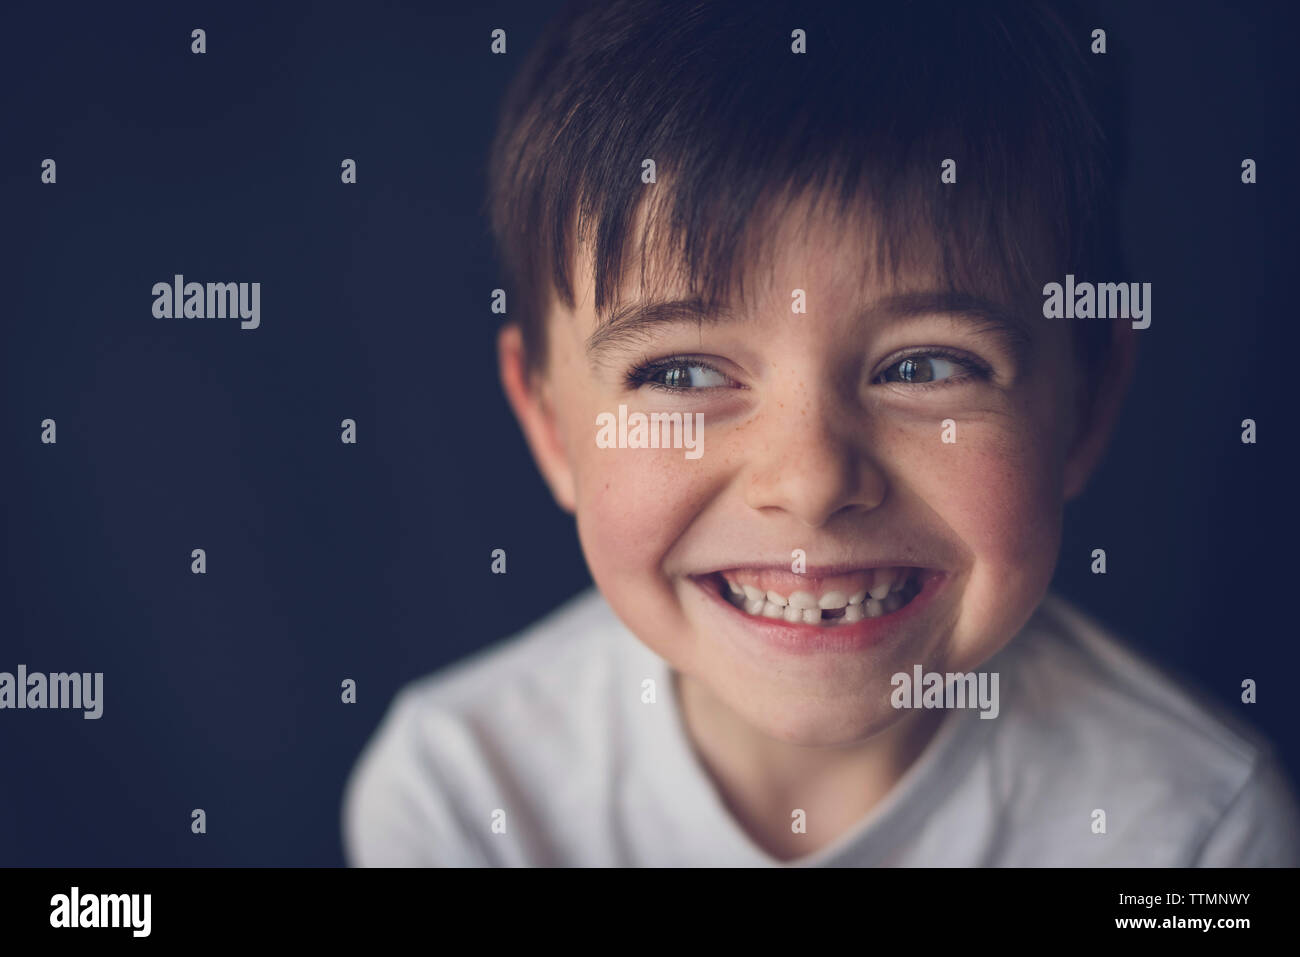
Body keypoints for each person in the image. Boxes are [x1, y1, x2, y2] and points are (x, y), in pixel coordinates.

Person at [343, 0, 1300, 866]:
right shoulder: (459, 800)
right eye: (681, 372)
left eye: (926, 366)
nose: (809, 480)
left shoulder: (1194, 834)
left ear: (1086, 405)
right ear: (551, 422)